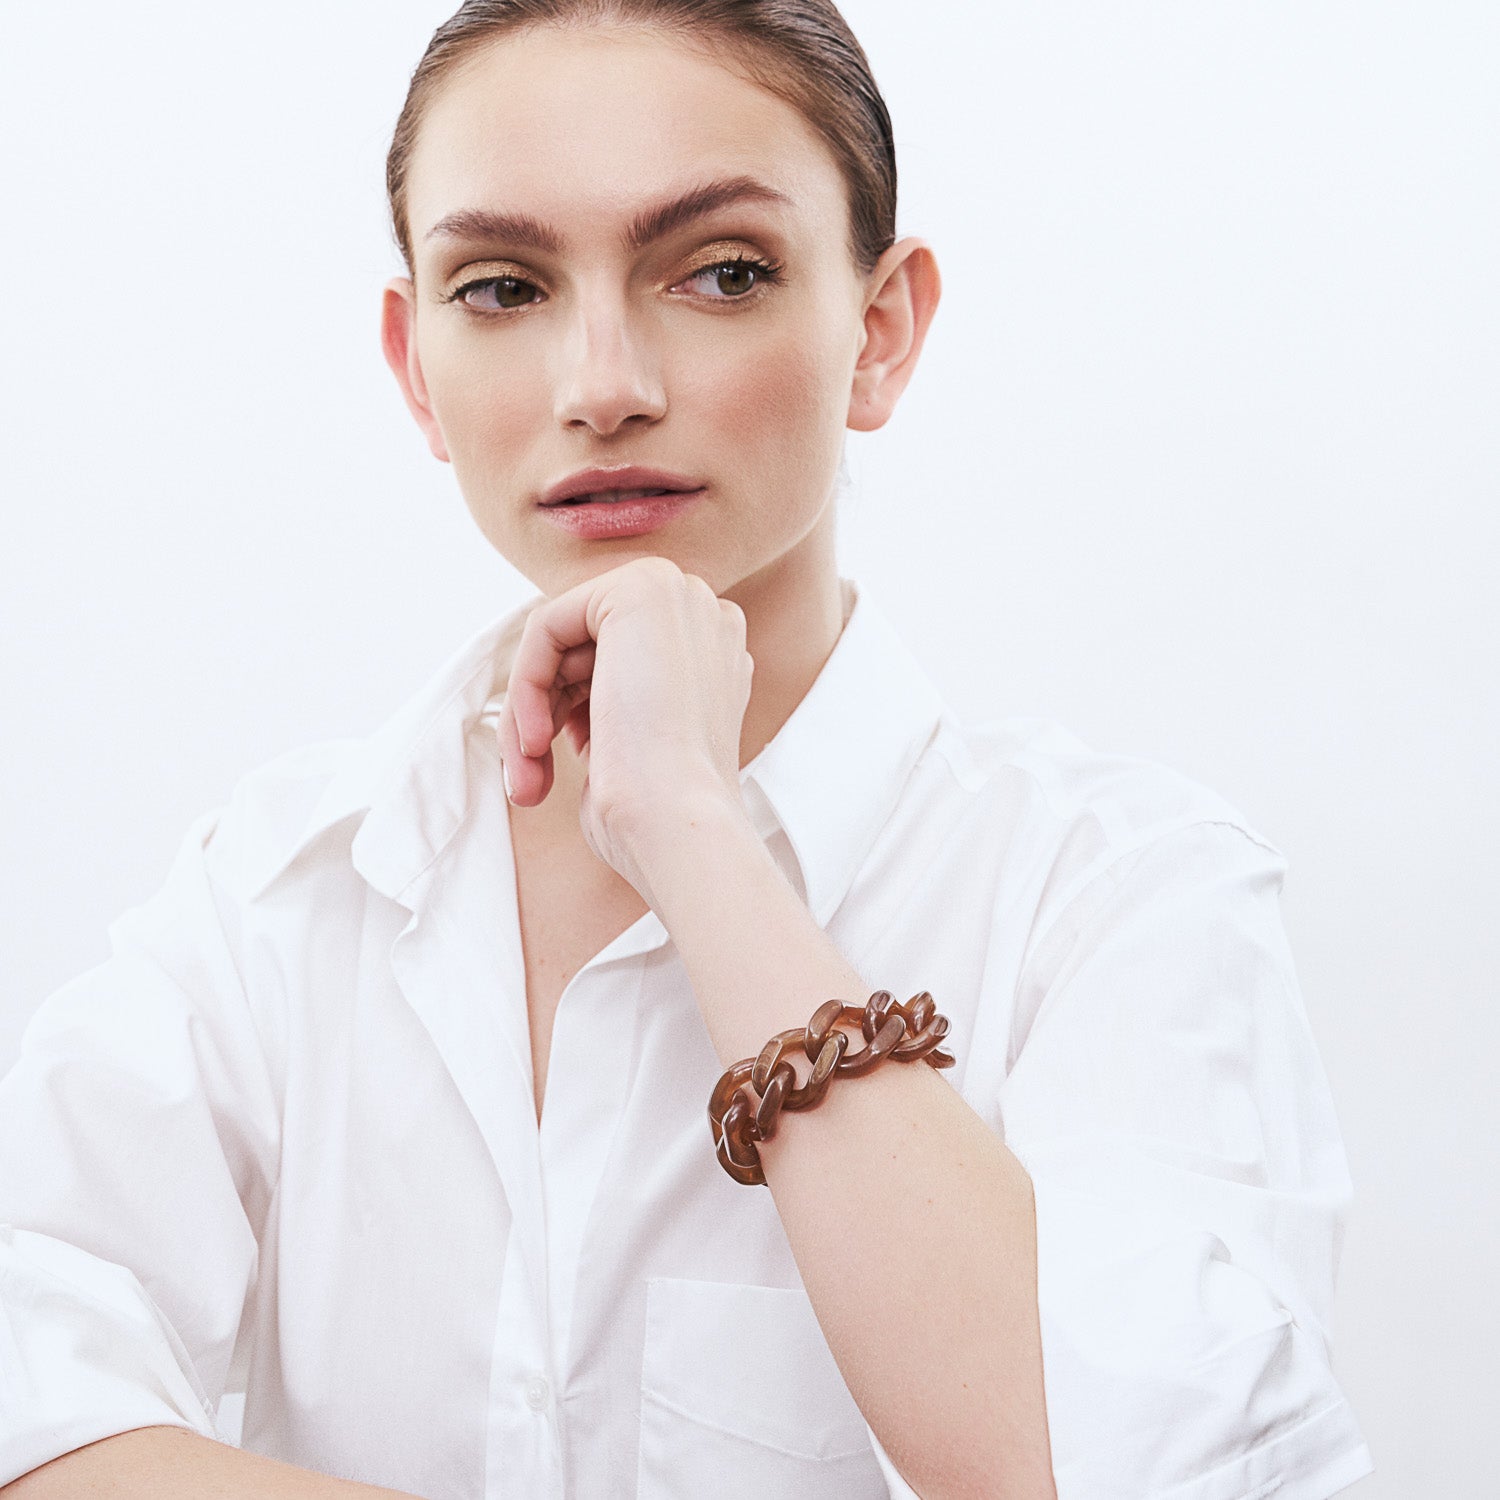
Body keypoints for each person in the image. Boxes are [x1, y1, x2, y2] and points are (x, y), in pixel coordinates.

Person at [0, 2, 1374, 1497]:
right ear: (414, 365)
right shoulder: (279, 894)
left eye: (722, 272)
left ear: (882, 329)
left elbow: (1130, 1474)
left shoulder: (1117, 899)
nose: (602, 382)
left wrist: (693, 834)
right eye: (504, 285)